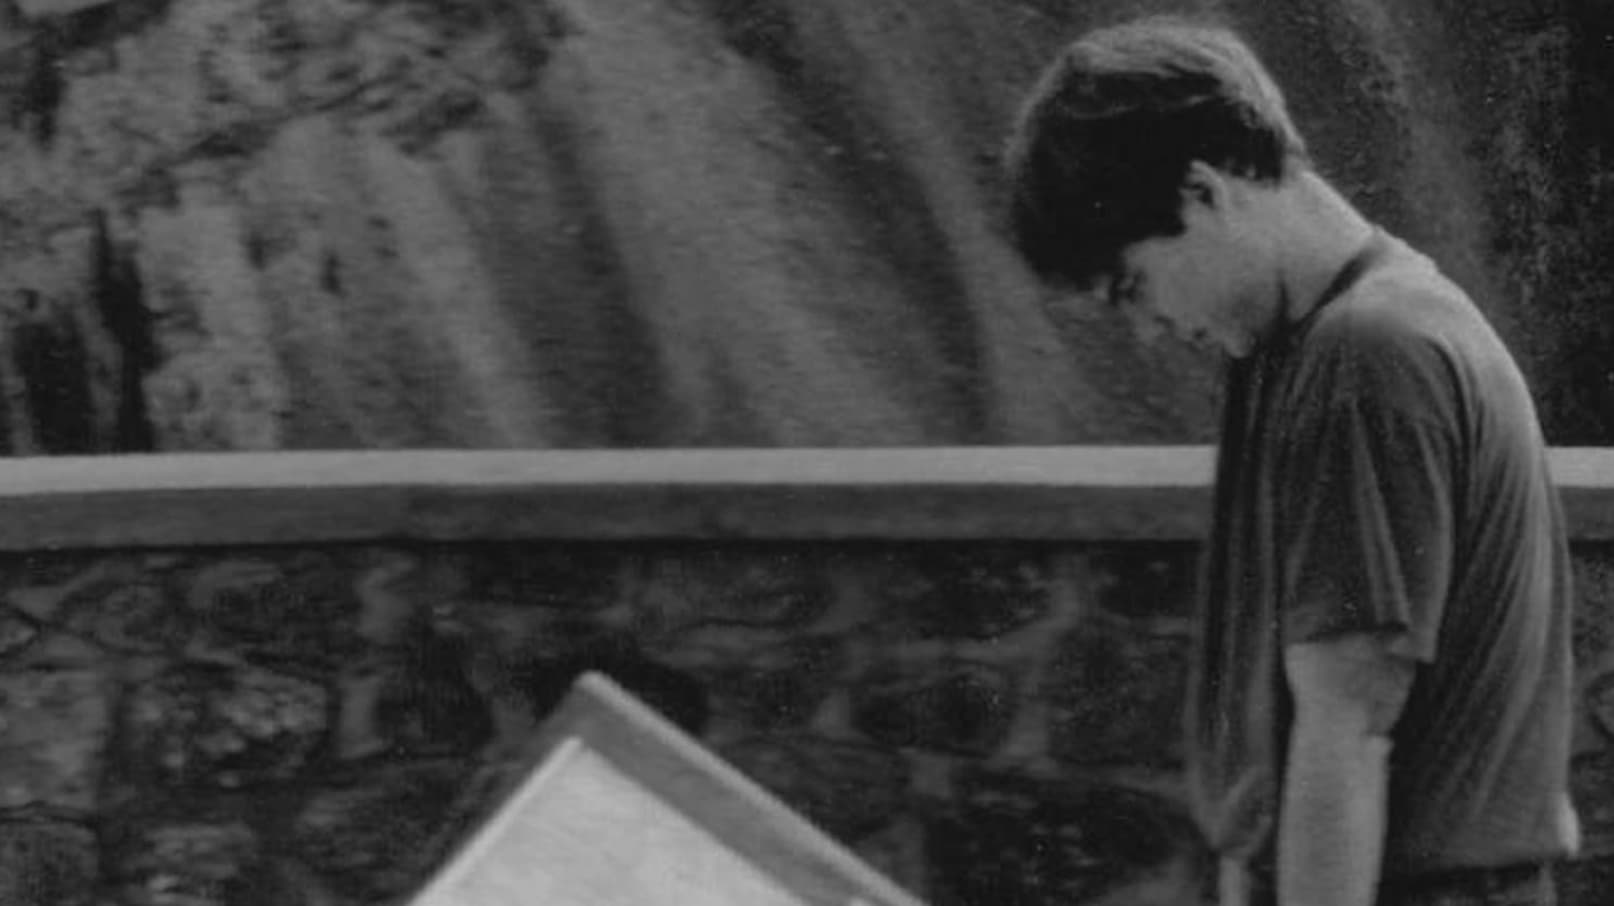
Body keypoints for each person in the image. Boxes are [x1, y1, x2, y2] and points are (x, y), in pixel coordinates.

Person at [1002, 16, 1581, 906]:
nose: (1151, 329)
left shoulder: (1369, 358)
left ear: (1204, 192)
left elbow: (1349, 730)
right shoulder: (1308, 344)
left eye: (1135, 286)